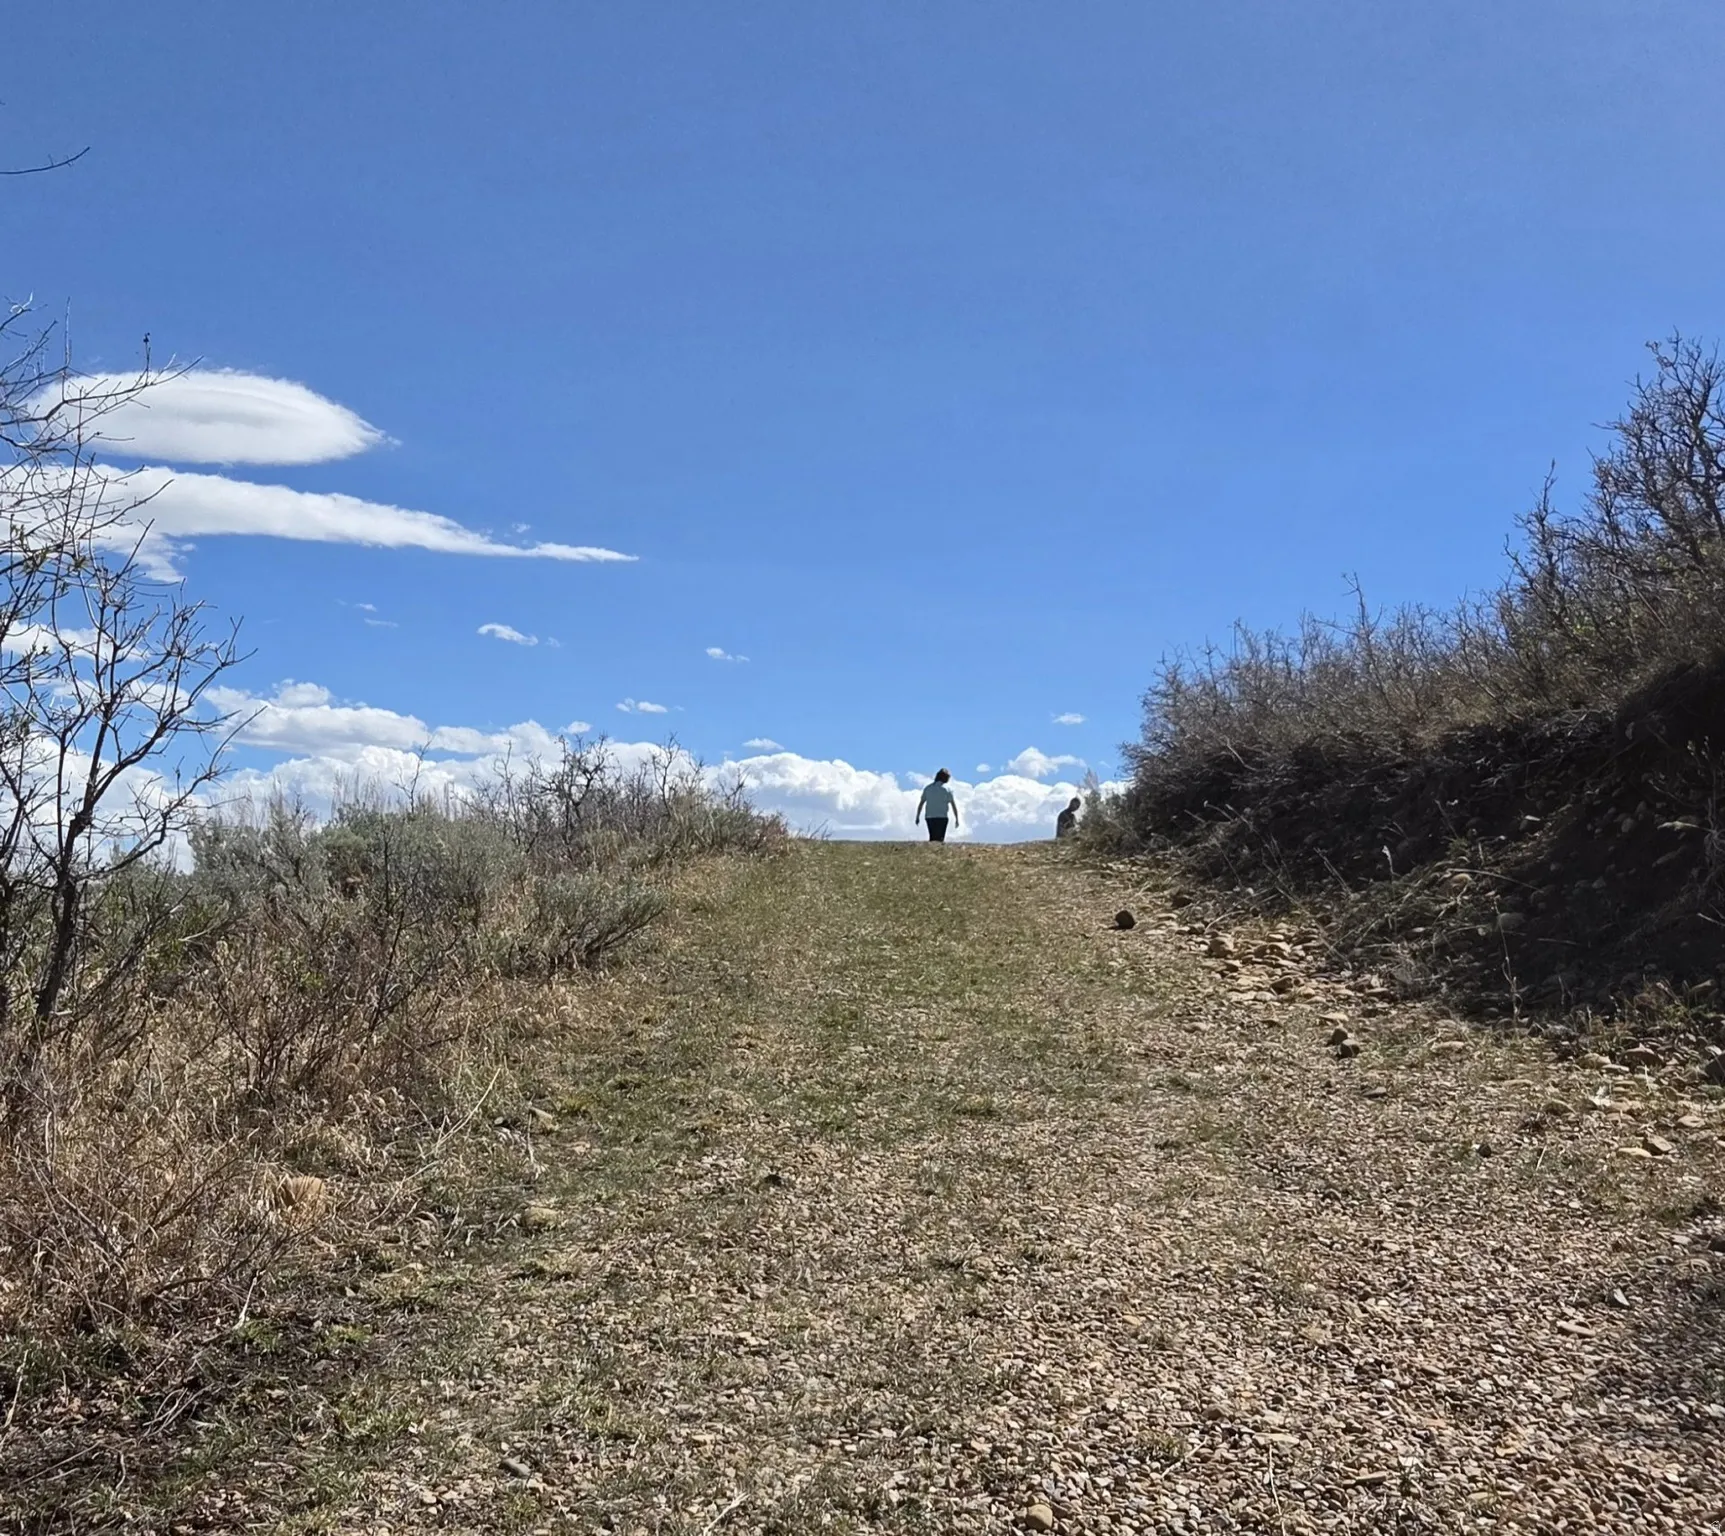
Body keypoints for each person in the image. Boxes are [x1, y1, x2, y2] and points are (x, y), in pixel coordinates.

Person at [915, 769, 959, 842]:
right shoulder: (947, 789)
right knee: (940, 838)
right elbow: (953, 805)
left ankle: (931, 851)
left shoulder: (928, 788)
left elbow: (921, 803)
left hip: (929, 816)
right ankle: (938, 852)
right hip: (942, 816)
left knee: (932, 837)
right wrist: (956, 818)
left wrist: (917, 816)